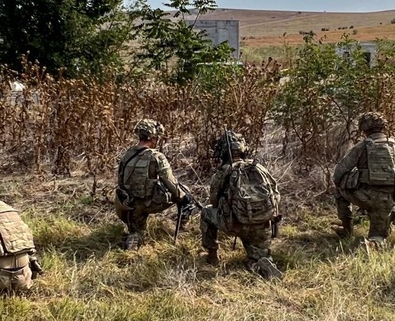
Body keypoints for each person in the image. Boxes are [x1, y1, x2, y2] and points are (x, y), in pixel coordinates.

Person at [200, 130, 282, 279]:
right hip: (263, 224)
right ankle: (262, 263)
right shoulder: (259, 168)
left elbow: (213, 202)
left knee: (206, 212)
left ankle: (212, 255)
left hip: (235, 224)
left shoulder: (224, 172)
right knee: (257, 254)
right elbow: (276, 195)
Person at [333, 111, 395, 244]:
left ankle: (347, 230)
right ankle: (372, 243)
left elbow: (338, 174)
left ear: (363, 130)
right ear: (383, 127)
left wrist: (350, 181)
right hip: (387, 200)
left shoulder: (361, 147)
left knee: (339, 191)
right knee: (378, 237)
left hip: (362, 196)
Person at [115, 119, 189, 250]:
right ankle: (182, 227)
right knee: (186, 192)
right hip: (151, 202)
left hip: (131, 205)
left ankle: (133, 240)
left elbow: (120, 182)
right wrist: (182, 197)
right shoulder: (157, 157)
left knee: (136, 232)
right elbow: (170, 182)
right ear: (153, 137)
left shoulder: (127, 155)